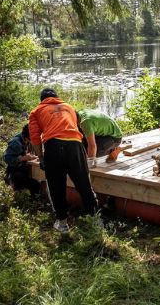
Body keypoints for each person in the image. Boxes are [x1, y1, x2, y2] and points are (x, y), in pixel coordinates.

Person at [29, 88, 99, 233]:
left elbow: (35, 138)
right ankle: (96, 220)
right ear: (57, 97)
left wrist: (41, 157)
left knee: (56, 186)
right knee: (83, 183)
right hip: (75, 145)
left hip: (53, 146)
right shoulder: (69, 107)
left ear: (42, 100)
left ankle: (62, 224)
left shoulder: (36, 111)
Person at [3, 124, 40, 196]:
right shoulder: (16, 142)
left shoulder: (28, 141)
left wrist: (34, 157)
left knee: (38, 183)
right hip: (15, 172)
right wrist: (23, 158)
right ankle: (12, 184)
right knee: (34, 186)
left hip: (24, 170)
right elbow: (7, 159)